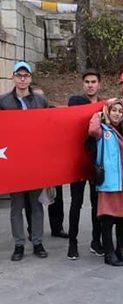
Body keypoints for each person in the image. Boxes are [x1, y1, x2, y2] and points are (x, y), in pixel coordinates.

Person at [1, 62, 49, 261]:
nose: (22, 79)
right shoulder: (3, 102)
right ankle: (19, 244)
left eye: (25, 75)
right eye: (18, 75)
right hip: (14, 161)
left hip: (35, 161)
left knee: (36, 205)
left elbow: (52, 125)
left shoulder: (40, 101)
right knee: (16, 205)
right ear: (13, 77)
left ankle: (37, 242)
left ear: (30, 78)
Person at [88, 99, 123, 266]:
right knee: (108, 221)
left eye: (119, 110)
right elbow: (92, 129)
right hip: (109, 183)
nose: (117, 113)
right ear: (108, 112)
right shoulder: (102, 129)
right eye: (113, 110)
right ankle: (109, 254)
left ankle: (121, 250)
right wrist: (99, 114)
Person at [67, 70, 104, 260]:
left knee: (97, 203)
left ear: (99, 84)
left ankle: (96, 241)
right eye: (87, 82)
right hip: (78, 160)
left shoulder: (105, 107)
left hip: (97, 162)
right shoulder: (75, 102)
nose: (90, 85)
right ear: (83, 84)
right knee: (76, 203)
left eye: (94, 81)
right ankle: (72, 243)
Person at [30, 87, 67, 240]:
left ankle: (57, 228)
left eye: (41, 97)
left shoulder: (53, 114)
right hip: (34, 164)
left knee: (56, 197)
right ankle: (32, 230)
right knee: (31, 200)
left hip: (52, 163)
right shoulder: (25, 117)